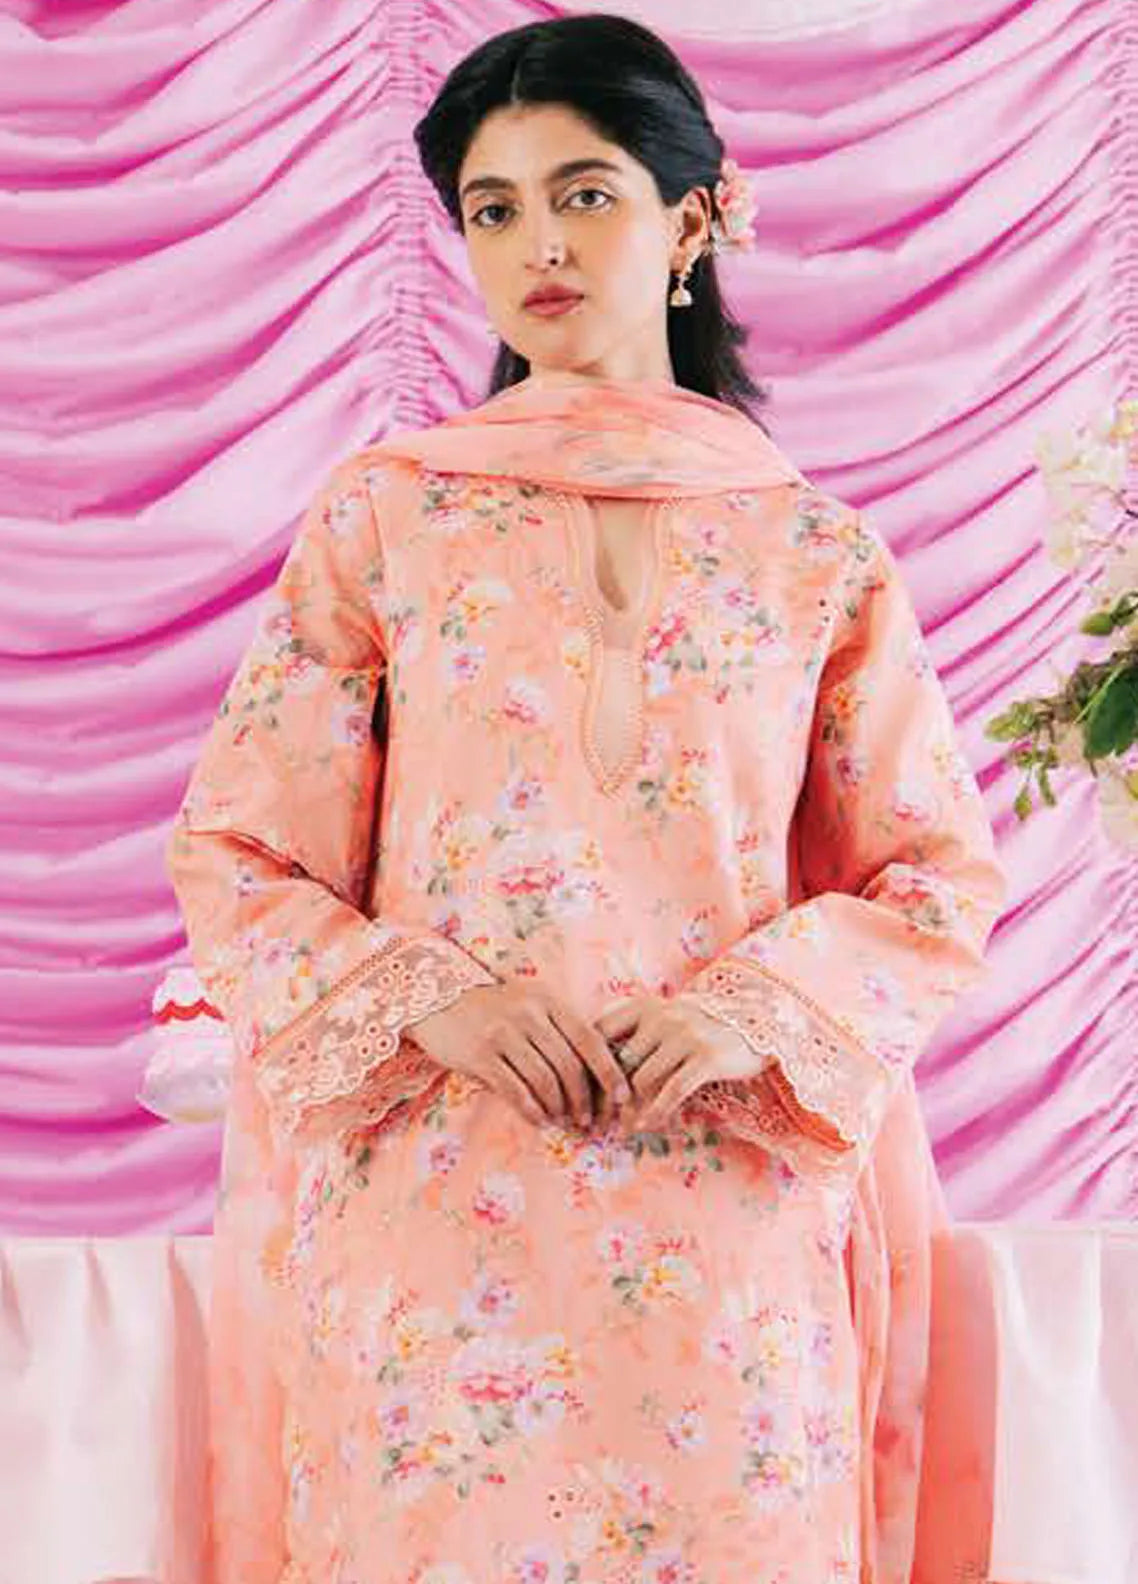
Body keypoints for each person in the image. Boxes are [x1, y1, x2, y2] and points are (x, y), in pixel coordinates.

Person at [165, 15, 1008, 1584]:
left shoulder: (813, 552)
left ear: (691, 222)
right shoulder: (388, 519)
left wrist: (751, 1011)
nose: (536, 243)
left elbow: (932, 876)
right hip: (439, 1201)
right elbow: (241, 852)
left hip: (723, 1217)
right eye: (492, 209)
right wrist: (436, 1001)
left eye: (583, 194)